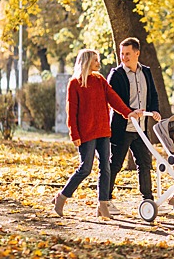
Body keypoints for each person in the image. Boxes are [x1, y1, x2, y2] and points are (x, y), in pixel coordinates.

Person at [52, 49, 142, 218]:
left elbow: (113, 98)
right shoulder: (75, 83)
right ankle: (61, 197)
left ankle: (102, 205)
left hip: (103, 131)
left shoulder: (100, 80)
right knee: (85, 169)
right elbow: (72, 112)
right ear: (86, 62)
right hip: (86, 134)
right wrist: (75, 134)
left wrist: (128, 112)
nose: (98, 63)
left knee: (105, 168)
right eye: (95, 60)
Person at [107, 37, 161, 215]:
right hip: (123, 127)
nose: (124, 57)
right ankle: (105, 200)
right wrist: (130, 111)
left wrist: (155, 110)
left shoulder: (146, 72)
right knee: (115, 164)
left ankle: (148, 200)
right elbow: (114, 101)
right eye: (122, 54)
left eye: (128, 54)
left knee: (145, 163)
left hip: (142, 128)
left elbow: (152, 94)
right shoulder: (117, 74)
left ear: (137, 53)